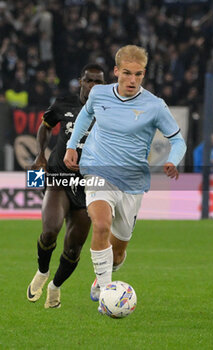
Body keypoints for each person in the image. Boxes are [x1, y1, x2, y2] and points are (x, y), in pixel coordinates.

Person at [64, 45, 187, 314]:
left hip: (132, 183)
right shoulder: (99, 94)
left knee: (117, 252)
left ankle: (105, 275)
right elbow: (86, 115)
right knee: (100, 225)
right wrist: (72, 146)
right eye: (127, 73)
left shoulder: (155, 106)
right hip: (98, 169)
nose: (132, 80)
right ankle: (107, 292)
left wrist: (171, 160)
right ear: (116, 71)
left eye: (139, 74)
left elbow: (178, 140)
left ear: (144, 75)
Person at [27, 63, 105, 308]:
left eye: (98, 82)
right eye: (89, 80)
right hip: (58, 177)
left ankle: (55, 287)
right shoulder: (64, 103)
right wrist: (40, 154)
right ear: (81, 81)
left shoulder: (108, 111)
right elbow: (45, 126)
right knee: (50, 230)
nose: (92, 86)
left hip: (88, 185)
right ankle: (42, 271)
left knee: (73, 250)